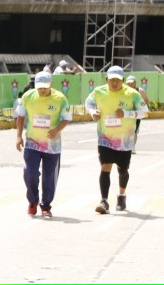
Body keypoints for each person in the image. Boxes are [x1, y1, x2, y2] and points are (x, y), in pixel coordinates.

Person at [85, 66, 148, 214]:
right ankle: (104, 201)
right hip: (105, 137)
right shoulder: (99, 92)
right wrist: (93, 112)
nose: (114, 83)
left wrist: (127, 113)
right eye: (111, 80)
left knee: (122, 170)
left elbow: (144, 112)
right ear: (106, 79)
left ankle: (121, 196)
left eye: (117, 80)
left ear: (123, 80)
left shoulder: (132, 94)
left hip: (124, 140)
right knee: (105, 167)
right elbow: (89, 103)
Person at [15, 71, 72, 218]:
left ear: (51, 84)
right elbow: (20, 116)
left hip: (52, 145)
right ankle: (32, 201)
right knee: (30, 172)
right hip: (32, 143)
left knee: (49, 177)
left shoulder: (60, 99)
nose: (42, 90)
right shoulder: (28, 97)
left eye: (45, 87)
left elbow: (66, 118)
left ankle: (46, 205)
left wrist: (56, 130)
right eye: (39, 87)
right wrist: (18, 136)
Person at [125, 75, 150, 153]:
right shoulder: (124, 91)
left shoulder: (140, 91)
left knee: (134, 131)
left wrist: (140, 107)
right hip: (127, 113)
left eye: (132, 83)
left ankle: (132, 148)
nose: (130, 85)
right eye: (128, 83)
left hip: (137, 114)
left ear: (135, 83)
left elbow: (146, 101)